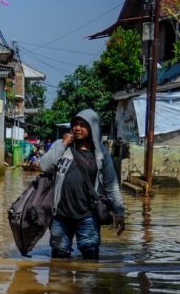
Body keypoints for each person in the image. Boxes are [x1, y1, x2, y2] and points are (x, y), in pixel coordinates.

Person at [38, 108, 125, 259]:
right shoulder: (62, 145)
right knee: (59, 257)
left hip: (88, 215)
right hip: (60, 214)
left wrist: (119, 212)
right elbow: (44, 166)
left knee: (90, 257)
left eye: (83, 125)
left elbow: (111, 185)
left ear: (93, 128)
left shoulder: (101, 153)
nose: (77, 128)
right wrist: (63, 143)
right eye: (75, 124)